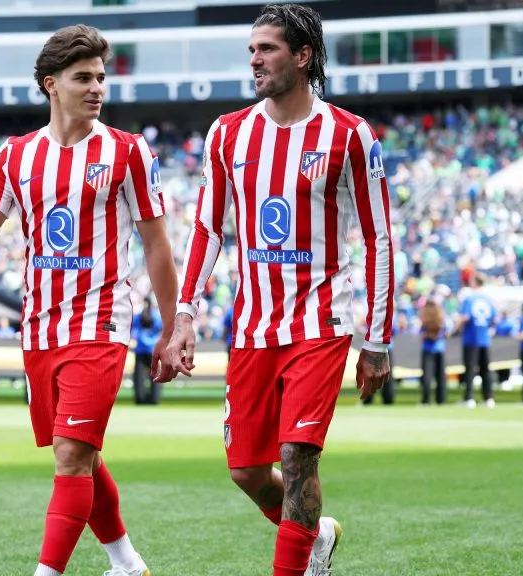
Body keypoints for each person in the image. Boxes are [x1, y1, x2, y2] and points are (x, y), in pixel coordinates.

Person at [0, 24, 180, 576]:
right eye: (83, 78)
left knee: (70, 453)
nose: (97, 88)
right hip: (40, 328)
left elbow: (157, 245)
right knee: (82, 453)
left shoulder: (128, 152)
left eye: (101, 78)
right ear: (51, 85)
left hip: (101, 322)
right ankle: (128, 564)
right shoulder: (15, 156)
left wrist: (171, 325)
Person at [165, 5, 393, 575]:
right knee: (245, 468)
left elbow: (378, 238)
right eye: (252, 50)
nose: (255, 60)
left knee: (297, 457)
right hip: (252, 327)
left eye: (266, 49)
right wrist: (184, 314)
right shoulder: (229, 133)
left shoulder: (349, 134)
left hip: (321, 323)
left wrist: (377, 339)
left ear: (303, 55)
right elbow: (208, 229)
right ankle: (316, 538)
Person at [457, 274, 496, 408]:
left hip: (471, 339)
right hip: (485, 339)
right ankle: (489, 397)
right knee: (485, 369)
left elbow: (465, 317)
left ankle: (469, 398)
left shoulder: (470, 299)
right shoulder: (488, 299)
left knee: (470, 370)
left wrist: (456, 327)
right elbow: (494, 319)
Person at [131, 298, 163, 405]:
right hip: (153, 348)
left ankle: (140, 398)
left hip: (140, 348)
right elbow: (161, 329)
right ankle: (154, 399)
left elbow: (133, 332)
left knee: (139, 375)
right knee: (155, 374)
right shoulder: (156, 316)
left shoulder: (138, 316)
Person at [419, 300, 448, 405]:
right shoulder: (440, 317)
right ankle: (441, 399)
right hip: (440, 349)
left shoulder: (424, 317)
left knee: (427, 376)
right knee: (440, 376)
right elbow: (446, 332)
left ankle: (426, 400)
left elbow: (421, 333)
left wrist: (428, 335)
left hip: (428, 350)